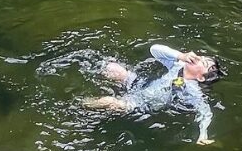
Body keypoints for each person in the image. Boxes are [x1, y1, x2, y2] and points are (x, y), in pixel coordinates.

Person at [83, 43, 224, 145]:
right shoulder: (178, 65)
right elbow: (154, 49)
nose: (198, 58)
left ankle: (81, 104)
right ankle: (83, 75)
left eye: (203, 63)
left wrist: (203, 134)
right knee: (113, 68)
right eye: (201, 57)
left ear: (200, 78)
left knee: (109, 101)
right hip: (141, 86)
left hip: (141, 104)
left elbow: (205, 112)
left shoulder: (192, 89)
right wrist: (181, 55)